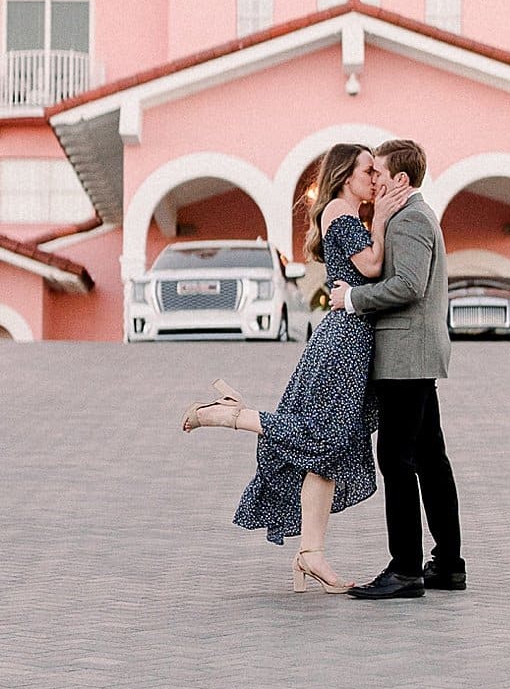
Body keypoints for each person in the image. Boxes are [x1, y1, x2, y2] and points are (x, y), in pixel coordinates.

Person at [180, 144, 399, 594]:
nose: (373, 178)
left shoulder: (345, 214)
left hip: (350, 340)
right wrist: (381, 219)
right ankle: (227, 415)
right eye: (367, 170)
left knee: (328, 450)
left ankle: (311, 555)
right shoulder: (341, 210)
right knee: (324, 436)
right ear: (344, 175)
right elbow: (372, 266)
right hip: (343, 342)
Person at [329, 139, 465, 599]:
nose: (376, 182)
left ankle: (406, 568)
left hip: (405, 356)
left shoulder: (409, 219)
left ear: (400, 180)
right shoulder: (417, 216)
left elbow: (407, 285)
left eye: (380, 174)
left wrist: (351, 298)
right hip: (415, 354)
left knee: (396, 460)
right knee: (430, 460)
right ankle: (448, 564)